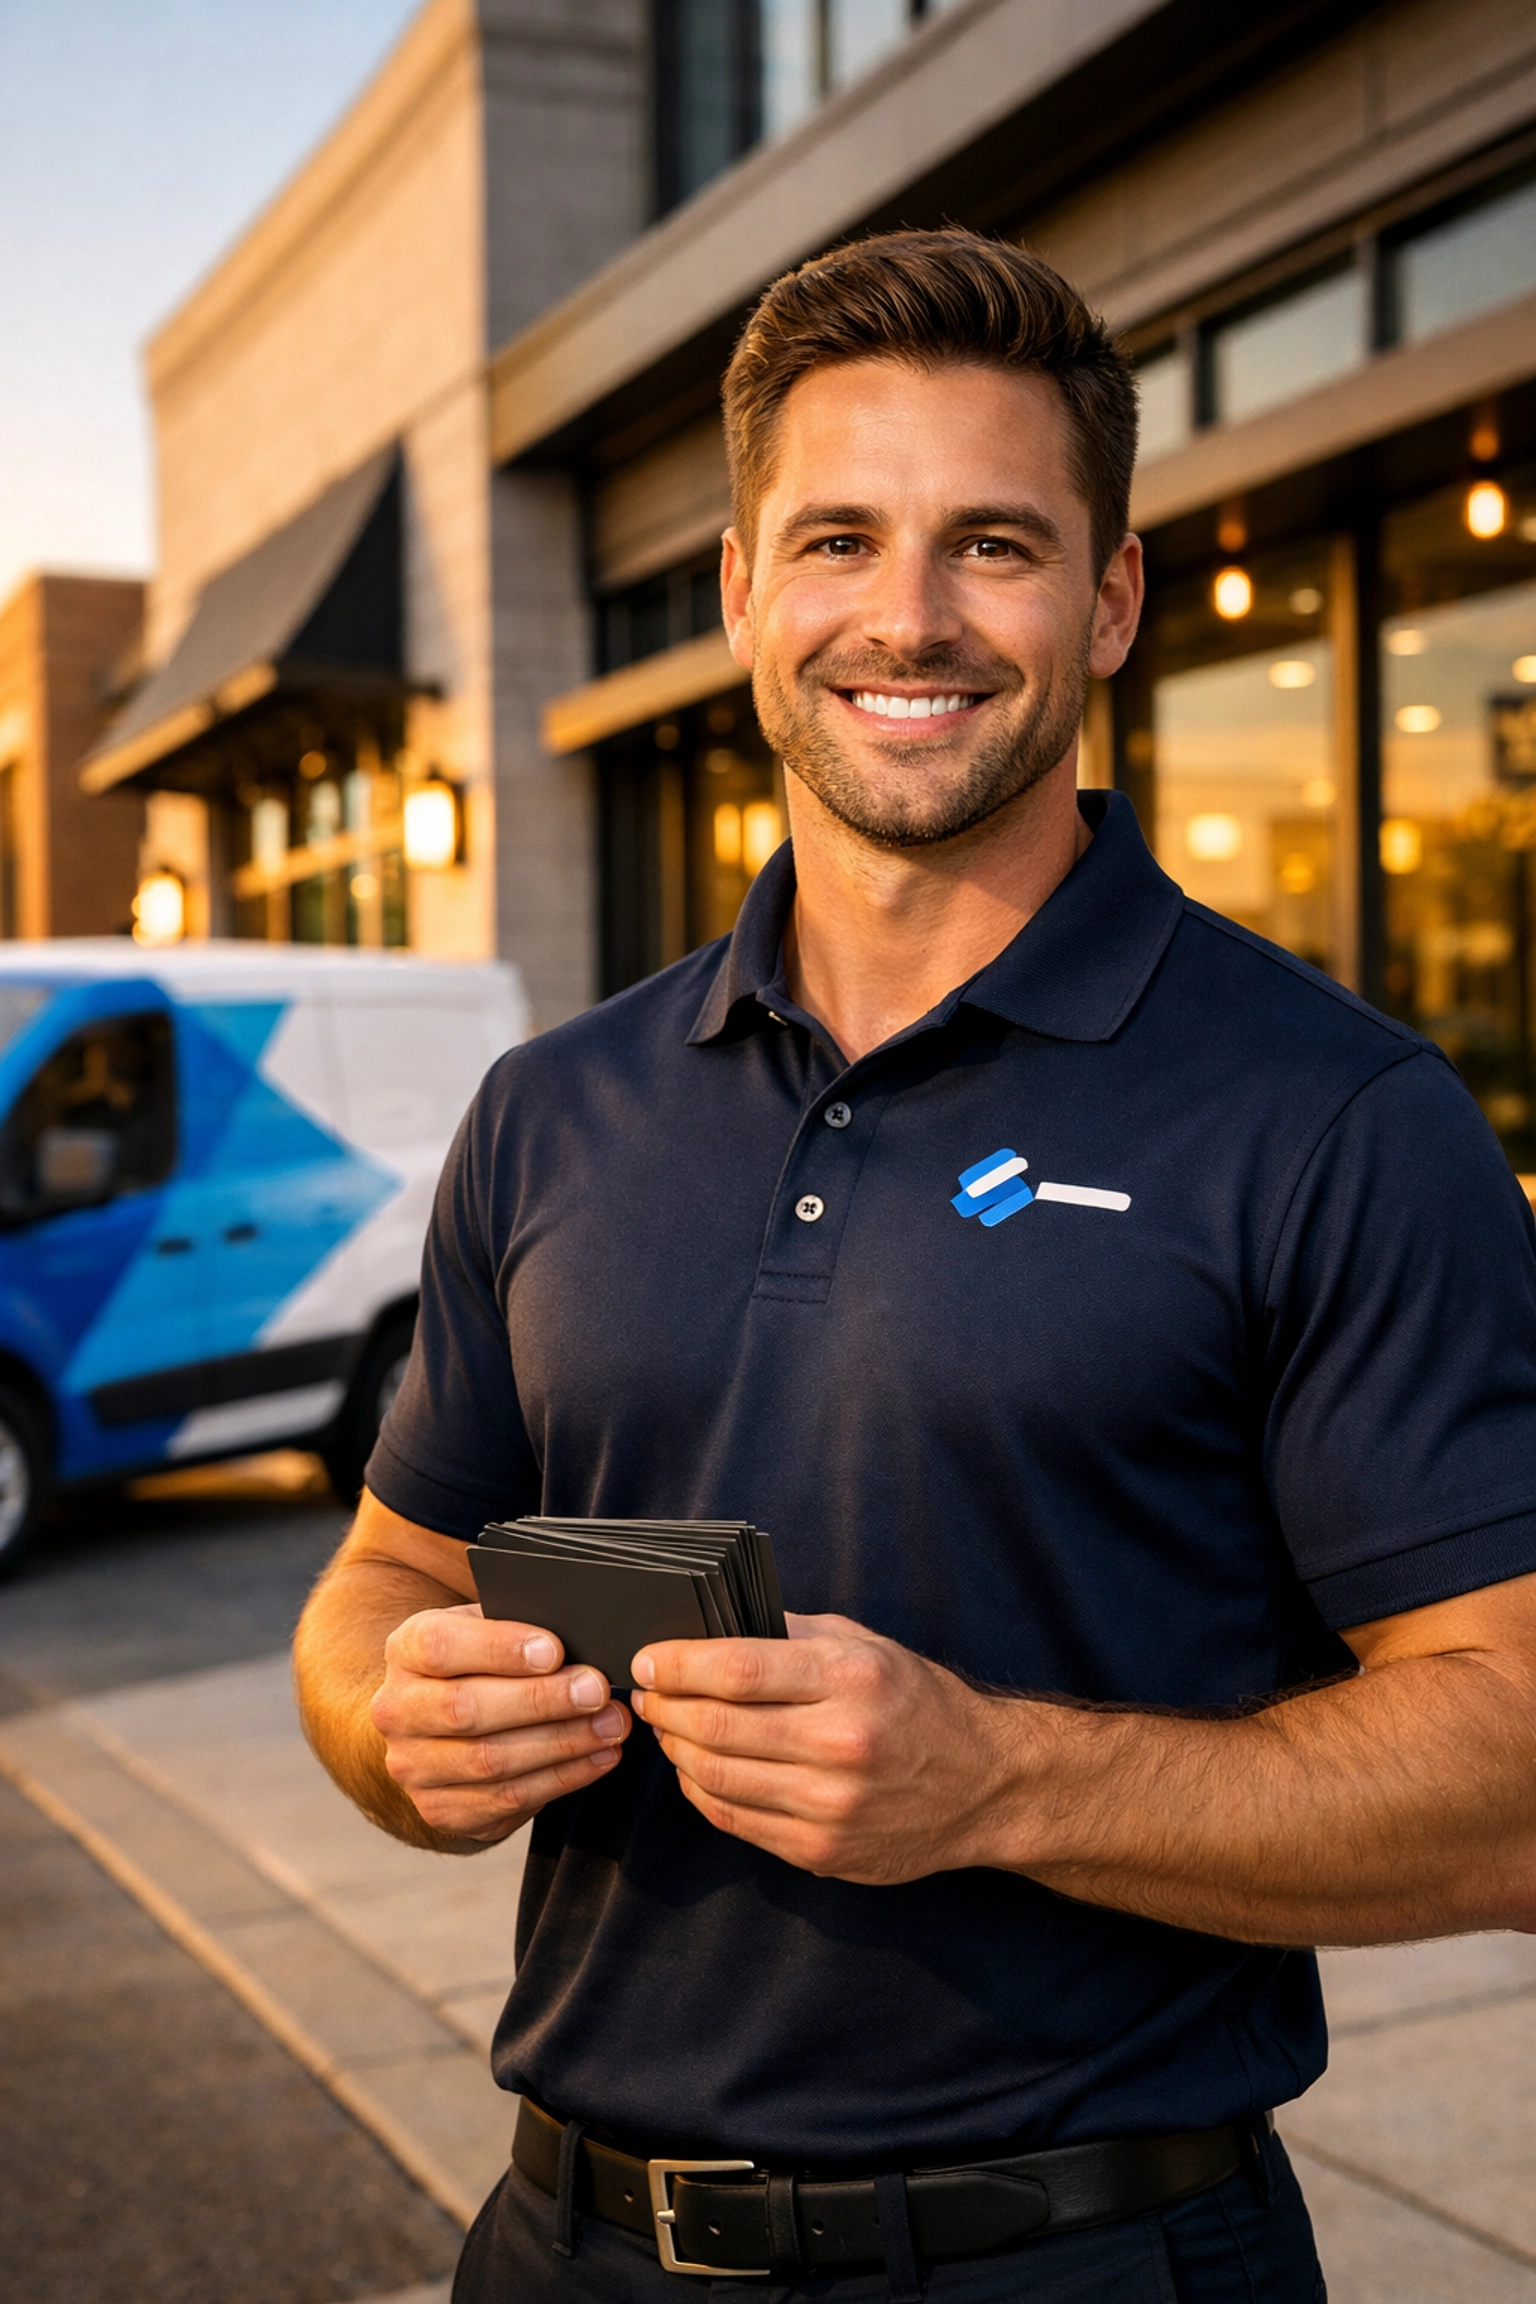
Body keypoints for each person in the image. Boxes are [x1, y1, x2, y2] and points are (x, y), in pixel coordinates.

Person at [293, 231, 1536, 2304]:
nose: (909, 616)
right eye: (842, 538)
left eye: (995, 545)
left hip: (1089, 2255)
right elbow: (388, 1581)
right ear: (742, 599)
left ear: (1115, 599)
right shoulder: (552, 1109)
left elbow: (1514, 1775)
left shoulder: (1333, 1117)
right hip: (561, 2245)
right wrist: (389, 1730)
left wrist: (1002, 1779)